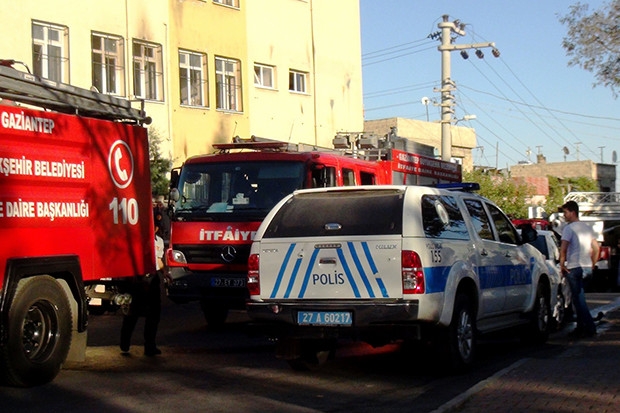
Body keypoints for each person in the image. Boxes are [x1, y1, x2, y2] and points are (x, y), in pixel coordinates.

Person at [120, 227, 165, 356]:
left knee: (154, 314)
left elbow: (158, 260)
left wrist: (165, 272)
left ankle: (150, 345)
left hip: (152, 278)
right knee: (132, 313)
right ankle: (124, 343)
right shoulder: (137, 240)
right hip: (137, 279)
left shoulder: (159, 241)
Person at [559, 200, 599, 338]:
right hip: (587, 267)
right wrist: (592, 264)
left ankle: (590, 327)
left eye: (565, 212)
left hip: (574, 267)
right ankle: (581, 327)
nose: (564, 216)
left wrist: (562, 264)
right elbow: (596, 248)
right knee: (579, 298)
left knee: (578, 300)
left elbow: (563, 248)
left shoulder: (568, 229)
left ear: (572, 212)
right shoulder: (587, 227)